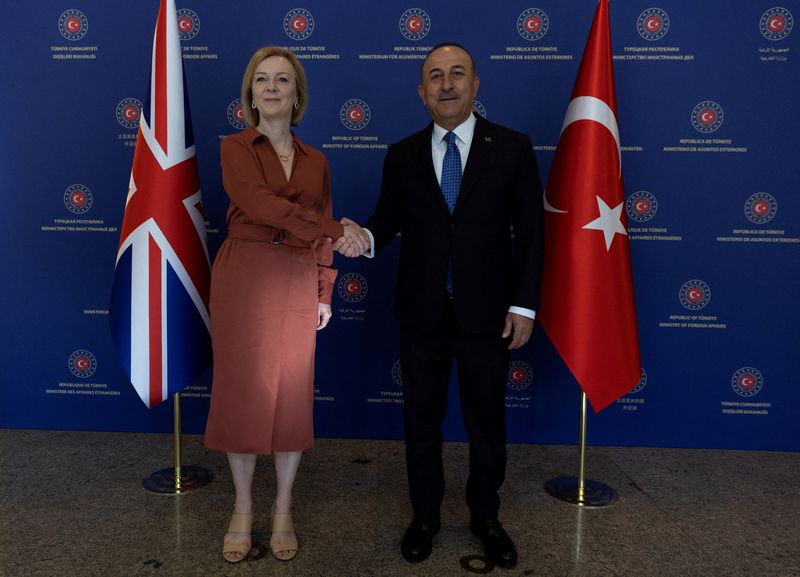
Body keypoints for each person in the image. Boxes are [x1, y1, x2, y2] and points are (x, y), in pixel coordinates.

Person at [335, 43, 543, 569]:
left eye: (457, 74)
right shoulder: (401, 154)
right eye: (435, 77)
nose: (446, 84)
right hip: (422, 314)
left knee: (486, 423)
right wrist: (362, 236)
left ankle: (485, 516)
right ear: (422, 93)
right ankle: (424, 515)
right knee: (420, 422)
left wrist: (524, 306)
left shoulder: (513, 148)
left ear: (476, 85)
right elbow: (387, 220)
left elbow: (533, 235)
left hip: (489, 315)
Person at [204, 46, 367, 564]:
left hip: (298, 276)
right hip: (245, 273)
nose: (271, 87)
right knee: (243, 392)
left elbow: (320, 227)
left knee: (292, 394)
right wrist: (337, 230)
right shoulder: (234, 147)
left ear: (297, 94)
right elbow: (262, 206)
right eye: (261, 80)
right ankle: (244, 508)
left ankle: (284, 508)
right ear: (250, 93)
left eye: (282, 80)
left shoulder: (318, 160)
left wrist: (324, 290)